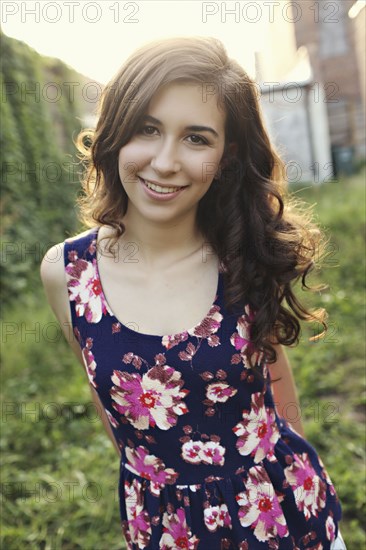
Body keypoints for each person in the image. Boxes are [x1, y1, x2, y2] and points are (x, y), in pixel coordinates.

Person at [40, 36, 346, 550]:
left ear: (226, 157)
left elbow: (273, 375)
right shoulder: (67, 274)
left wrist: (291, 462)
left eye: (197, 139)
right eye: (147, 129)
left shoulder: (245, 251)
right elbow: (103, 395)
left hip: (281, 510)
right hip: (165, 528)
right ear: (116, 131)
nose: (165, 161)